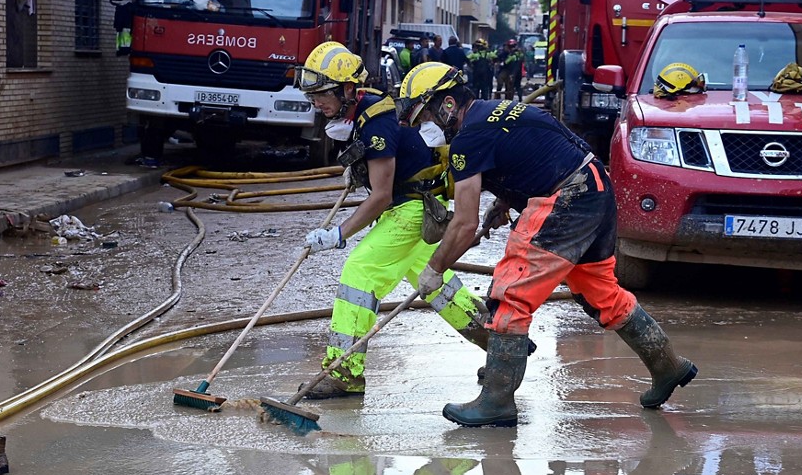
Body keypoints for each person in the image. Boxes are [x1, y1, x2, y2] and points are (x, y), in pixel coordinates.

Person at [395, 66, 697, 427]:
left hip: (568, 196)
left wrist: (434, 269)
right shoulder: (501, 109)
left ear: (446, 104)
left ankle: (497, 400)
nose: (425, 125)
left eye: (425, 115)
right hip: (596, 187)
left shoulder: (467, 139)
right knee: (601, 292)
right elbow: (538, 150)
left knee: (511, 292)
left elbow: (463, 223)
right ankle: (668, 366)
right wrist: (505, 201)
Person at [296, 43, 489, 399]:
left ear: (347, 89)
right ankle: (501, 350)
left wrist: (337, 234)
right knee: (440, 288)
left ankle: (344, 372)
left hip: (413, 208)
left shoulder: (376, 123)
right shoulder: (363, 110)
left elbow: (381, 195)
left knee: (360, 272)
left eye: (322, 94)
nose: (317, 104)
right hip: (416, 204)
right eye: (312, 97)